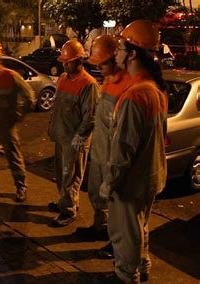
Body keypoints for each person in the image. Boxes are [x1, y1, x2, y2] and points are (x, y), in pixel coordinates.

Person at [100, 20, 167, 283]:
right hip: (150, 175)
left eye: (120, 47)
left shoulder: (135, 95)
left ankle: (126, 276)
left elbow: (123, 150)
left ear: (133, 53)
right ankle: (143, 266)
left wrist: (109, 183)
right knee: (140, 226)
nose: (115, 53)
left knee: (124, 231)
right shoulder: (155, 89)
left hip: (131, 181)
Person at [75, 35, 131, 241]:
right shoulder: (108, 82)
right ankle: (99, 228)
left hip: (112, 158)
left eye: (102, 64)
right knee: (97, 196)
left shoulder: (127, 86)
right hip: (100, 152)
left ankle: (113, 239)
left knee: (115, 203)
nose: (99, 68)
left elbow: (124, 135)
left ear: (115, 58)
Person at [47, 39, 100, 227]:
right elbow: (57, 107)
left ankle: (69, 209)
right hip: (61, 136)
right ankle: (64, 200)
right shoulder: (62, 78)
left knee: (72, 175)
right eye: (64, 61)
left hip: (74, 140)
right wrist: (52, 126)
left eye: (68, 61)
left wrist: (79, 138)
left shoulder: (88, 84)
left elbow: (91, 116)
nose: (64, 64)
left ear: (79, 61)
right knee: (61, 174)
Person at [0, 42, 36, 203]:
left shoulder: (11, 76)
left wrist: (18, 114)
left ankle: (21, 186)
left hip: (6, 125)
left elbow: (30, 98)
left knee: (13, 156)